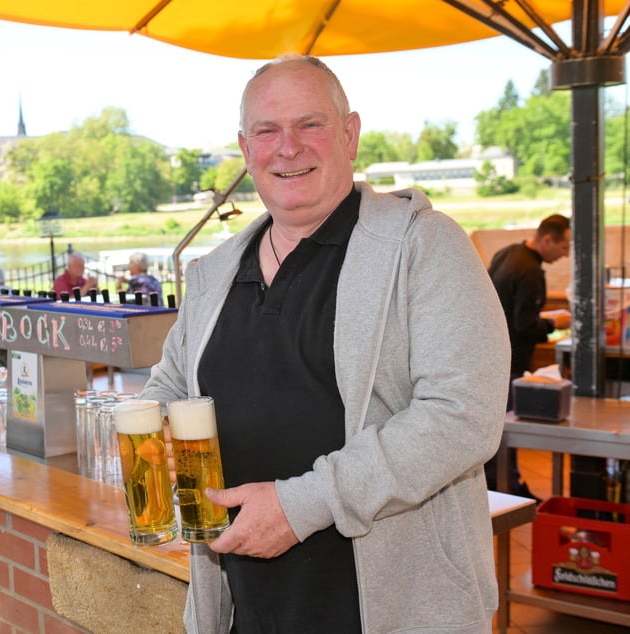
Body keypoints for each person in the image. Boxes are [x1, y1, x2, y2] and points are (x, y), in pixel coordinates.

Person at [140, 55, 510, 632]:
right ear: (245, 148)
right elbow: (168, 387)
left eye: (308, 124)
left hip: (391, 609)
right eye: (267, 130)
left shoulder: (423, 247)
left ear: (349, 133)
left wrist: (300, 505)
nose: (287, 147)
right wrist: (151, 435)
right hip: (248, 604)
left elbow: (463, 416)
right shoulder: (214, 272)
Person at [485, 213, 572, 496]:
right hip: (511, 359)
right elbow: (524, 325)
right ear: (547, 239)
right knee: (507, 431)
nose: (565, 254)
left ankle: (497, 486)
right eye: (563, 247)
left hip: (489, 353)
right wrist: (553, 323)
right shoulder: (530, 271)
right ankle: (510, 489)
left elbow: (505, 310)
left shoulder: (507, 254)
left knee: (493, 429)